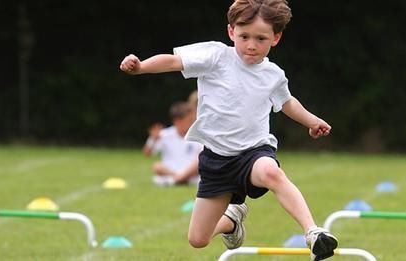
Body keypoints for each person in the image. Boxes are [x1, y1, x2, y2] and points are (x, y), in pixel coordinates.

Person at [120, 0, 338, 260]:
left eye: (261, 38)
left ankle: (313, 232)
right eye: (244, 36)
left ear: (276, 38)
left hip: (254, 152)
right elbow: (174, 61)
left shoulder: (273, 74)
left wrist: (312, 121)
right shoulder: (215, 55)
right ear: (231, 32)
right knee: (198, 239)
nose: (251, 45)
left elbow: (288, 102)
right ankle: (232, 221)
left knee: (272, 172)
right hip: (216, 160)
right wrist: (142, 66)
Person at [143, 101, 203, 187]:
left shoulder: (197, 135)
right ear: (177, 121)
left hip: (191, 172)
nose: (192, 122)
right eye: (189, 120)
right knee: (156, 166)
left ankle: (177, 180)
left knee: (200, 162)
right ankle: (181, 179)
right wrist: (152, 139)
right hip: (170, 172)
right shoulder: (164, 134)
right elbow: (147, 153)